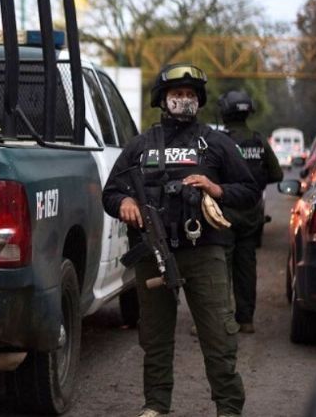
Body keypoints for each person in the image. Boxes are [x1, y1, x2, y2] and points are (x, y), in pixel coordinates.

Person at [102, 63, 260, 417]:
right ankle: (156, 404)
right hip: (151, 254)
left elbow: (250, 190)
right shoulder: (140, 146)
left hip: (204, 252)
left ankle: (229, 408)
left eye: (190, 95)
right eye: (177, 94)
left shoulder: (216, 143)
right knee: (155, 336)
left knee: (219, 335)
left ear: (199, 100)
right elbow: (110, 192)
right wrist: (125, 202)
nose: (184, 100)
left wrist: (216, 188)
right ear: (163, 99)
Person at [217, 90, 283, 334]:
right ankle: (246, 320)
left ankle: (219, 320)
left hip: (222, 215)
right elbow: (277, 174)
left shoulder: (218, 140)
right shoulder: (258, 141)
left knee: (219, 269)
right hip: (250, 217)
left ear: (224, 112)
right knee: (246, 269)